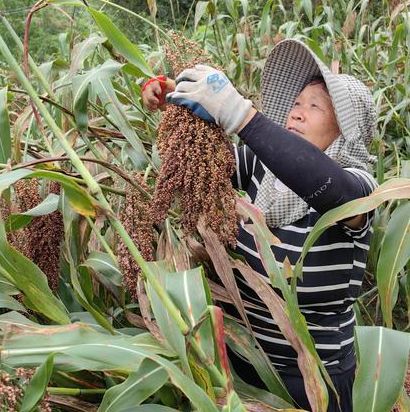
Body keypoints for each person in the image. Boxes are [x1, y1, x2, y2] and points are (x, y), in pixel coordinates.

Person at [141, 39, 377, 411]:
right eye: (296, 103)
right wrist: (173, 102)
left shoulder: (361, 187)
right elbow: (194, 165)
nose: (298, 113)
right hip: (243, 365)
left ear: (347, 128)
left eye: (315, 106)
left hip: (315, 382)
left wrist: (241, 115)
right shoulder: (261, 167)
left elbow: (328, 188)